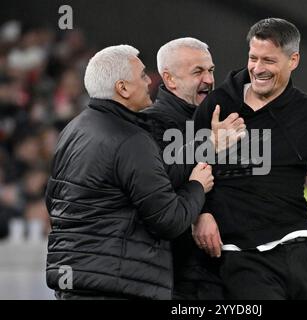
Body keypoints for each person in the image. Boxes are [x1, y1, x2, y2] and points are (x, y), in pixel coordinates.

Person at [193, 18, 307, 299]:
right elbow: (185, 163)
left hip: (299, 248)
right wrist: (201, 213)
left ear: (293, 60)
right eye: (253, 58)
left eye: (268, 60)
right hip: (242, 257)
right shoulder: (219, 105)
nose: (258, 69)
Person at [45, 45, 214, 300]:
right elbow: (169, 220)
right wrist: (197, 187)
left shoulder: (72, 130)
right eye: (143, 76)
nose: (149, 82)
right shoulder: (131, 139)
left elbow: (54, 202)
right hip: (118, 285)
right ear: (122, 88)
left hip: (74, 283)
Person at [143, 38, 244, 299]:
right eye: (198, 72)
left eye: (210, 70)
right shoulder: (152, 123)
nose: (209, 80)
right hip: (179, 275)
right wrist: (201, 211)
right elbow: (159, 183)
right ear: (170, 79)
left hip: (224, 271)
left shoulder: (219, 118)